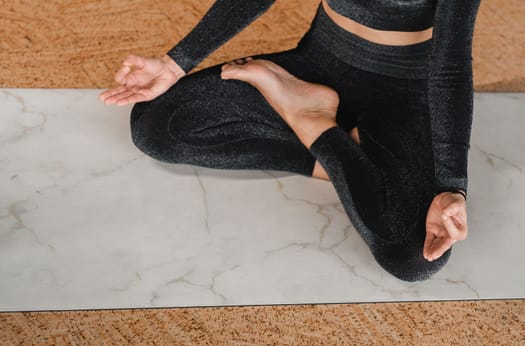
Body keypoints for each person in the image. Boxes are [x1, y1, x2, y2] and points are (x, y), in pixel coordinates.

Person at [99, 0, 481, 282]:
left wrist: (452, 188)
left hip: (401, 101)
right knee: (157, 125)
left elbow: (450, 68)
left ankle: (312, 121)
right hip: (317, 65)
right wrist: (174, 63)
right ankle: (344, 153)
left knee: (418, 255)